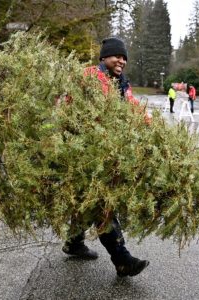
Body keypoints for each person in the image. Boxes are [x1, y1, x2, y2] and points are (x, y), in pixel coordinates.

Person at [62, 37, 149, 277]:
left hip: (106, 151)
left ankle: (73, 243)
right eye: (116, 56)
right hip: (84, 150)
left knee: (86, 200)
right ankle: (123, 260)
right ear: (103, 58)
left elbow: (132, 107)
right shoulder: (89, 76)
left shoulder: (121, 82)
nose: (121, 60)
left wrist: (151, 126)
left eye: (124, 57)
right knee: (101, 203)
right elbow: (67, 105)